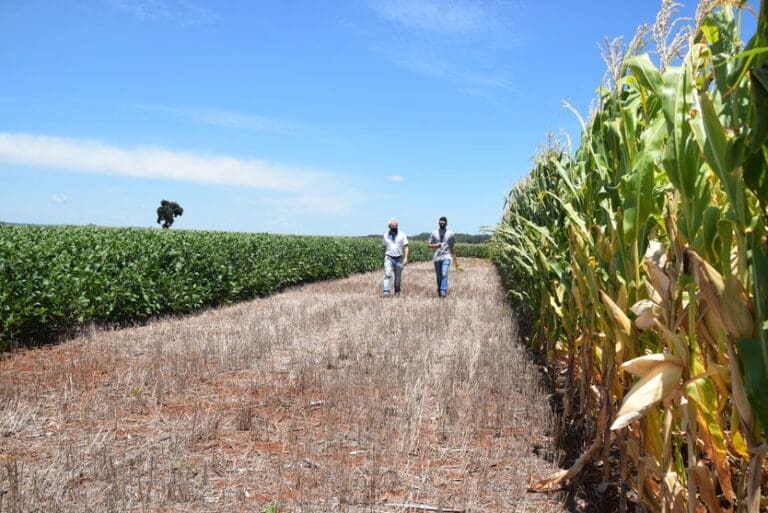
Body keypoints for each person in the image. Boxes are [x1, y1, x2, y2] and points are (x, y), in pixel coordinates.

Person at [427, 216, 458, 298]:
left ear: (446, 224)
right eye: (440, 223)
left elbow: (453, 246)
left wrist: (454, 258)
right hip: (437, 257)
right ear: (438, 223)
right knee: (439, 275)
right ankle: (439, 289)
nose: (442, 224)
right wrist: (435, 245)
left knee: (444, 274)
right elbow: (429, 245)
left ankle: (443, 291)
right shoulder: (434, 233)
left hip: (446, 256)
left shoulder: (451, 234)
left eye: (443, 223)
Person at [382, 217, 409, 297]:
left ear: (397, 226)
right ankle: (386, 292)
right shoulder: (385, 235)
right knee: (387, 274)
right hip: (388, 257)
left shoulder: (402, 234)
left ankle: (397, 291)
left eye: (395, 226)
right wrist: (386, 254)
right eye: (392, 226)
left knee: (397, 278)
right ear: (389, 226)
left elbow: (406, 246)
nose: (394, 227)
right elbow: (384, 246)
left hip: (399, 258)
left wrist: (406, 258)